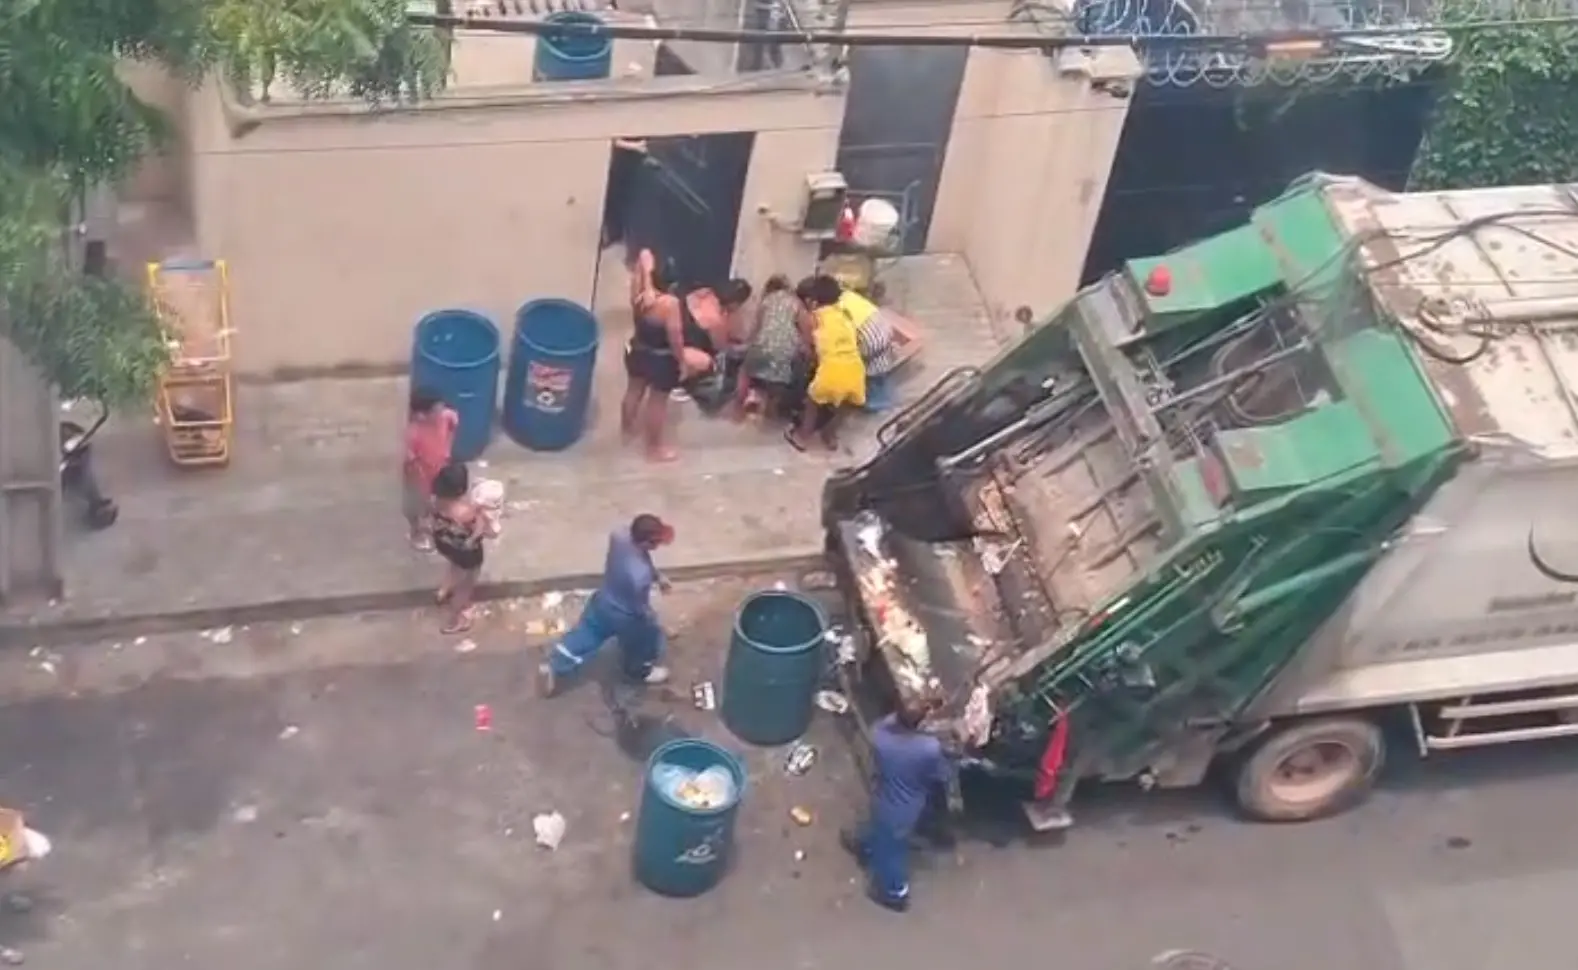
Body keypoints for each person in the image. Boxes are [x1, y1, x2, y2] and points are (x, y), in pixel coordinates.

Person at [620, 249, 752, 461]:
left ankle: (626, 430)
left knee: (633, 390)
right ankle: (654, 449)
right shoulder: (669, 305)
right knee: (657, 401)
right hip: (660, 357)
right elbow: (675, 338)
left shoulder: (640, 293)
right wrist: (681, 361)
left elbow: (645, 255)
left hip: (637, 348)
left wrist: (646, 284)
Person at [537, 514, 676, 696]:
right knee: (646, 639)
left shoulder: (620, 536)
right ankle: (640, 671)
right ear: (645, 543)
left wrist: (657, 576)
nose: (656, 546)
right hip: (625, 616)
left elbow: (641, 557)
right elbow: (639, 608)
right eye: (654, 542)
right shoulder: (639, 577)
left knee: (587, 634)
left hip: (603, 600)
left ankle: (554, 663)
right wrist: (653, 621)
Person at [841, 705, 956, 913]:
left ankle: (870, 852)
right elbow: (943, 774)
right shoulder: (928, 748)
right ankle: (895, 893)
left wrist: (906, 714)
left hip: (885, 799)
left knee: (884, 834)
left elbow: (885, 722)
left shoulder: (881, 738)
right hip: (907, 807)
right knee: (892, 851)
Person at [786, 275, 866, 453]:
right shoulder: (845, 314)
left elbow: (810, 348)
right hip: (855, 369)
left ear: (812, 303)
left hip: (831, 369)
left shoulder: (814, 318)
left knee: (812, 401)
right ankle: (830, 435)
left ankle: (802, 436)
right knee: (846, 404)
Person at [429, 461, 488, 634]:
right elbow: (480, 528)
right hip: (468, 552)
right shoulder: (466, 512)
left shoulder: (435, 504)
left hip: (447, 544)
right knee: (466, 585)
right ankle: (456, 619)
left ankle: (443, 591)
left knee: (454, 565)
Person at [734, 274, 803, 420]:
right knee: (776, 387)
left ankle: (739, 407)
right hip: (785, 351)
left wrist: (746, 344)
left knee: (746, 371)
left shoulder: (766, 301)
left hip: (762, 347)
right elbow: (803, 329)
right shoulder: (796, 302)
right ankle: (769, 415)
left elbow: (756, 329)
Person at [402, 389, 458, 551]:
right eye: (436, 410)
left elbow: (452, 427)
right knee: (416, 508)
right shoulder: (413, 434)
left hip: (440, 472)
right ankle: (416, 534)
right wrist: (419, 488)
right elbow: (410, 464)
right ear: (421, 415)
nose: (440, 412)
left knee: (437, 506)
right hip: (421, 477)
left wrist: (448, 451)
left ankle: (434, 526)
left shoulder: (447, 416)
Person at [836, 285, 903, 413]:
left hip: (871, 345)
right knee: (883, 380)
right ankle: (890, 403)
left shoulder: (837, 309)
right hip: (885, 333)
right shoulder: (849, 296)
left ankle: (876, 405)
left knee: (872, 380)